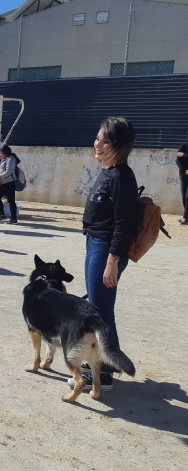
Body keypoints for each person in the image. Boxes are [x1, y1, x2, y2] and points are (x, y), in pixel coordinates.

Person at [75, 117, 139, 392]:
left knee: (100, 312)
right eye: (97, 137)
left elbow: (124, 222)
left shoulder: (122, 176)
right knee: (98, 308)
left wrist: (112, 261)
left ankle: (105, 374)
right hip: (95, 244)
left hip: (105, 249)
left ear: (118, 146)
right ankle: (106, 363)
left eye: (105, 140)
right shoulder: (107, 171)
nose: (97, 143)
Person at [0, 145, 19, 224]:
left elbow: (8, 172)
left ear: (5, 153)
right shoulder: (5, 159)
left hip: (9, 183)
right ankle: (2, 215)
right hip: (4, 183)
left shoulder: (10, 160)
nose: (0, 154)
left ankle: (14, 219)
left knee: (11, 201)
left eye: (1, 153)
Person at [177, 131, 188, 225]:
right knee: (184, 197)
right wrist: (184, 171)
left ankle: (185, 218)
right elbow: (178, 160)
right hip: (183, 175)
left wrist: (184, 155)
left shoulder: (183, 151)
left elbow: (181, 156)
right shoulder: (184, 146)